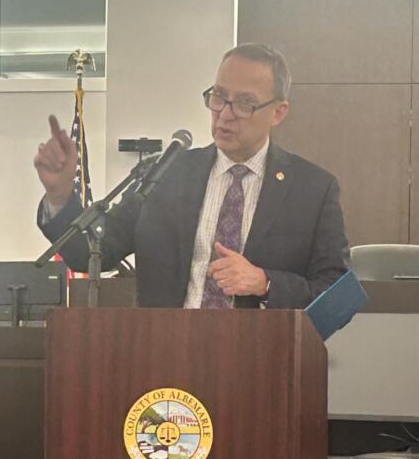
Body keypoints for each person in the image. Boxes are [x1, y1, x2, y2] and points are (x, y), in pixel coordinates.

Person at [35, 43, 349, 309]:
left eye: (244, 103)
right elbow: (90, 252)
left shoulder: (312, 191)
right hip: (168, 359)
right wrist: (60, 196)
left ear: (278, 112)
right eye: (218, 97)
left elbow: (338, 297)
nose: (225, 114)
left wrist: (265, 283)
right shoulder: (168, 174)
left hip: (259, 362)